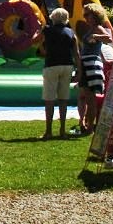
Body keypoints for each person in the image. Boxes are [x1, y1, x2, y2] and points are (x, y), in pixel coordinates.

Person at [31, 8, 80, 140]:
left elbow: (34, 41)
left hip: (52, 65)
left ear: (53, 18)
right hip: (67, 65)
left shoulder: (47, 29)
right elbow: (76, 53)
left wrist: (36, 32)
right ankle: (62, 130)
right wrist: (79, 71)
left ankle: (48, 131)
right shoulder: (70, 32)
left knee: (50, 99)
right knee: (63, 99)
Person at [77, 3, 113, 134]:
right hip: (86, 64)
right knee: (86, 96)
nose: (85, 17)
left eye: (87, 15)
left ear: (95, 15)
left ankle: (90, 127)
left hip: (91, 64)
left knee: (90, 98)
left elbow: (108, 38)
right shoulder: (90, 29)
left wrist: (96, 37)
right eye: (84, 15)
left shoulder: (97, 28)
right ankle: (87, 124)